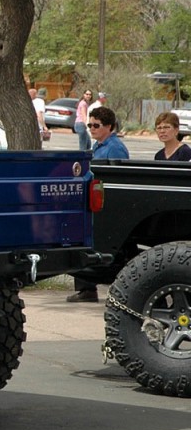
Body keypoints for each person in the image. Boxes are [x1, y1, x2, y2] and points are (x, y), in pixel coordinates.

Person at [68, 106, 129, 302]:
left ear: (109, 126)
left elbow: (119, 178)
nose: (92, 129)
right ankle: (86, 288)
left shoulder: (115, 148)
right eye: (89, 125)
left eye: (96, 125)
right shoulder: (97, 146)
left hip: (105, 202)